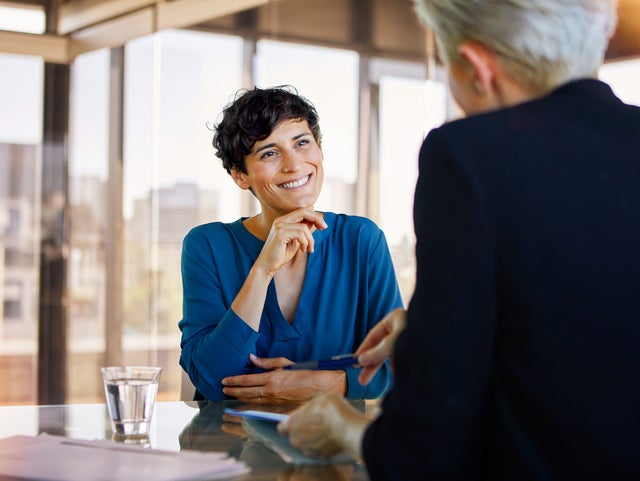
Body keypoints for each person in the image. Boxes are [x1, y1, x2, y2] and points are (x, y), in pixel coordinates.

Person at [278, 0, 640, 479]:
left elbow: (424, 451)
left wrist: (344, 427)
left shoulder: (469, 154)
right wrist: (435, 331)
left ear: (476, 68)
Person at [179, 86, 403, 403]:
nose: (294, 164)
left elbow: (394, 365)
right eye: (269, 153)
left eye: (302, 143)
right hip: (227, 446)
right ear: (240, 176)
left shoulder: (360, 239)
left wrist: (313, 383)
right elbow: (213, 380)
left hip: (331, 445)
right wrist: (262, 269)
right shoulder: (207, 245)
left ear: (319, 150)